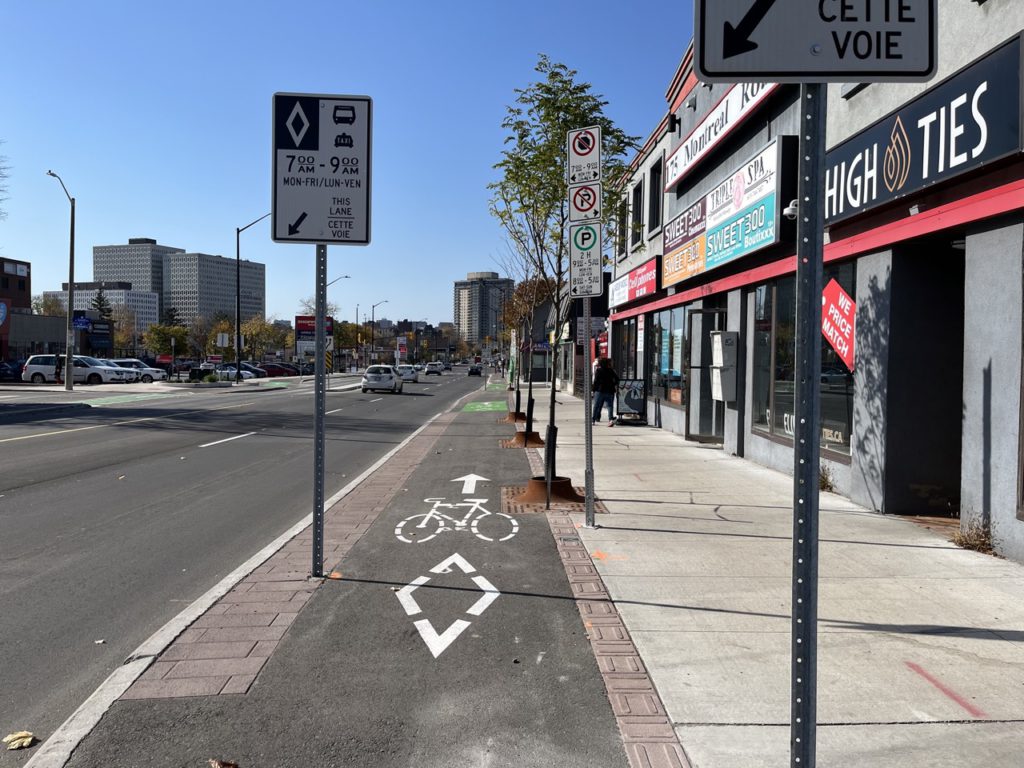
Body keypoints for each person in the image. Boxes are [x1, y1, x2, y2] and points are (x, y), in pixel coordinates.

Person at [591, 357, 619, 426]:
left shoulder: (598, 370)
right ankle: (610, 420)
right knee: (610, 406)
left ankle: (593, 420)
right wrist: (613, 384)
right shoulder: (611, 370)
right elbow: (617, 379)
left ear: (600, 364)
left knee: (596, 405)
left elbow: (596, 381)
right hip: (610, 391)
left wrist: (593, 390)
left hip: (600, 390)